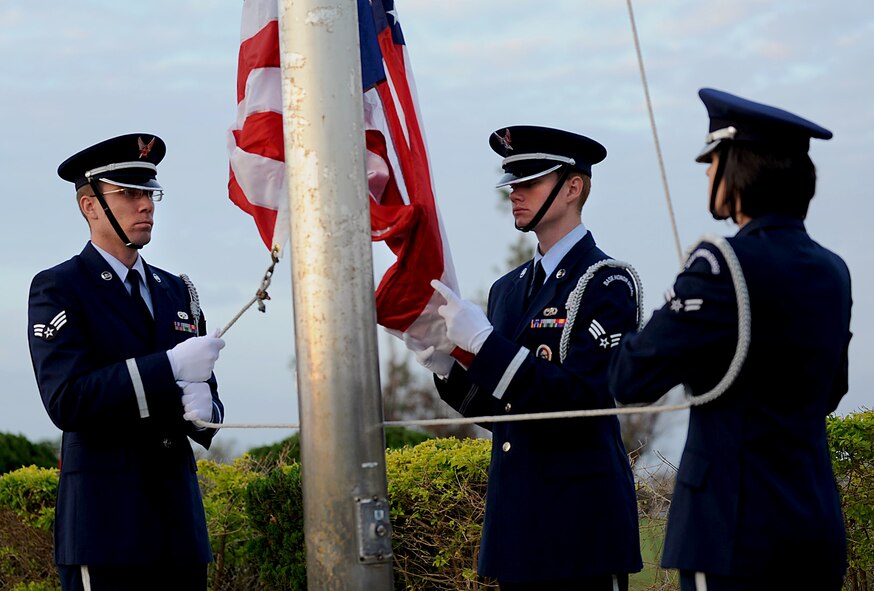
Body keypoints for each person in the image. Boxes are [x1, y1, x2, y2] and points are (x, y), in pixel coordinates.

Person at [609, 89, 851, 591]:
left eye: (712, 160)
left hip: (732, 533)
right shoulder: (834, 271)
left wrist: (676, 304)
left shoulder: (719, 265)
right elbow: (831, 392)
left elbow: (631, 378)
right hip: (812, 524)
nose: (705, 172)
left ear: (737, 171)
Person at [409, 125, 643, 590]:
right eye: (513, 184)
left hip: (580, 524)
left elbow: (582, 399)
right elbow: (505, 414)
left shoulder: (607, 282)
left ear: (572, 186)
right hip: (518, 524)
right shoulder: (507, 290)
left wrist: (486, 345)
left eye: (530, 182)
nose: (515, 194)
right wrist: (448, 370)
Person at [27, 133, 227, 591]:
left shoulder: (177, 290)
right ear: (89, 205)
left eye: (150, 193)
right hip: (105, 527)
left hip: (179, 528)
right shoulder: (60, 287)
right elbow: (67, 401)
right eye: (129, 194)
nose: (146, 206)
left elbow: (206, 398)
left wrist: (205, 411)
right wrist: (169, 369)